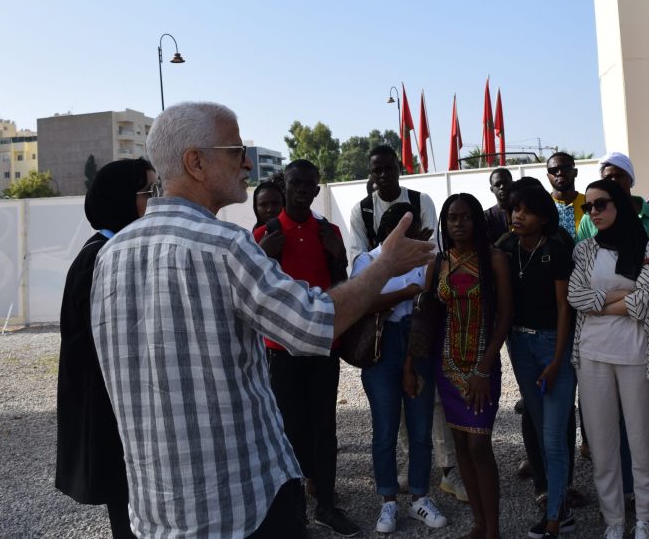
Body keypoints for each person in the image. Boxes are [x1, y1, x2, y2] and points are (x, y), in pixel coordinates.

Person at [90, 102, 433, 539]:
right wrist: (386, 265)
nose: (247, 163)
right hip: (241, 503)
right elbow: (313, 324)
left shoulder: (110, 255)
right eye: (236, 151)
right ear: (195, 162)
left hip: (156, 508)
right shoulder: (225, 245)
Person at [251, 160, 360, 537]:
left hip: (323, 344)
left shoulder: (329, 232)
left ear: (316, 189)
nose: (301, 190)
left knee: (324, 427)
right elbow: (253, 293)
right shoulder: (265, 233)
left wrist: (339, 257)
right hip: (281, 347)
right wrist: (264, 254)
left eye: (308, 184)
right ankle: (295, 510)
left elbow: (342, 286)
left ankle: (326, 505)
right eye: (294, 183)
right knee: (290, 428)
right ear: (285, 186)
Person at [56, 158, 157, 539]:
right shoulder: (100, 256)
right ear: (121, 199)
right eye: (149, 193)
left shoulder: (115, 248)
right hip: (109, 406)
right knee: (126, 502)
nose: (157, 202)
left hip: (122, 403)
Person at [569, 179, 649, 539]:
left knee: (642, 442)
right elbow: (576, 297)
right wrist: (625, 294)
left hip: (636, 354)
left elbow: (647, 301)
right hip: (592, 355)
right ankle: (613, 520)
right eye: (588, 206)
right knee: (602, 445)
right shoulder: (585, 250)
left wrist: (601, 302)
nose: (593, 212)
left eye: (601, 204)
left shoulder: (648, 247)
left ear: (620, 204)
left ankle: (645, 519)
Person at [352, 202, 448, 534]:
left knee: (421, 428)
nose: (417, 236)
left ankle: (420, 496)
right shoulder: (367, 261)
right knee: (385, 428)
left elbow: (426, 307)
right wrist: (405, 293)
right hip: (382, 346)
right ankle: (388, 500)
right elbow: (361, 303)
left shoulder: (425, 259)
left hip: (417, 344)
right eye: (409, 232)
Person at [428, 193, 513, 539]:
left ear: (477, 220)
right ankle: (478, 525)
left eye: (465, 217)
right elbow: (429, 314)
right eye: (452, 218)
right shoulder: (439, 262)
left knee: (479, 445)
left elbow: (505, 315)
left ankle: (493, 530)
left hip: (483, 364)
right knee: (461, 446)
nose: (458, 224)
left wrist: (484, 368)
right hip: (447, 365)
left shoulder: (495, 259)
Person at [499, 182, 577, 539]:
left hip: (552, 346)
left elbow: (564, 309)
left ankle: (553, 520)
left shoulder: (556, 249)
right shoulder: (506, 248)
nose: (519, 216)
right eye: (516, 209)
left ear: (544, 217)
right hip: (520, 346)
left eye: (528, 211)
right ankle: (560, 509)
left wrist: (558, 359)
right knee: (544, 431)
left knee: (553, 437)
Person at [348, 144, 438, 266]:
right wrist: (413, 246)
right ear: (371, 174)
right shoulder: (361, 210)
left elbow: (433, 248)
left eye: (389, 168)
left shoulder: (422, 201)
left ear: (399, 168)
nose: (383, 174)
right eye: (377, 170)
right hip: (378, 277)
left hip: (419, 274)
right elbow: (358, 259)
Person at [576, 152, 649, 245]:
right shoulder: (589, 219)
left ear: (630, 178)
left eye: (619, 176)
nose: (614, 181)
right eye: (608, 178)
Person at [546, 152, 587, 240]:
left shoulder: (589, 203)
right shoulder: (542, 205)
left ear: (575, 172)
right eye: (553, 170)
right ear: (548, 176)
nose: (560, 173)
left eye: (566, 168)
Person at [484, 167, 514, 244]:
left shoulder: (523, 212)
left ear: (513, 184)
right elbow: (486, 247)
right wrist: (502, 240)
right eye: (497, 184)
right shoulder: (486, 216)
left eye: (506, 183)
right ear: (491, 189)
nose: (502, 187)